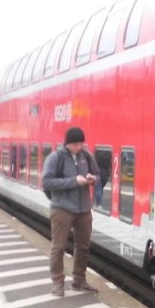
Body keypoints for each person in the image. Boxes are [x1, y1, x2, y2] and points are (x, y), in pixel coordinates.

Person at [41, 126, 101, 297]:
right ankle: (58, 282)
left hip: (83, 208)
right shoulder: (56, 158)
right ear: (67, 143)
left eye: (81, 143)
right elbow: (47, 182)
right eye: (75, 144)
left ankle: (79, 280)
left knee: (83, 246)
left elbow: (97, 174)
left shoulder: (86, 156)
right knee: (58, 247)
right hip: (62, 208)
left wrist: (92, 179)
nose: (79, 147)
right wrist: (74, 181)